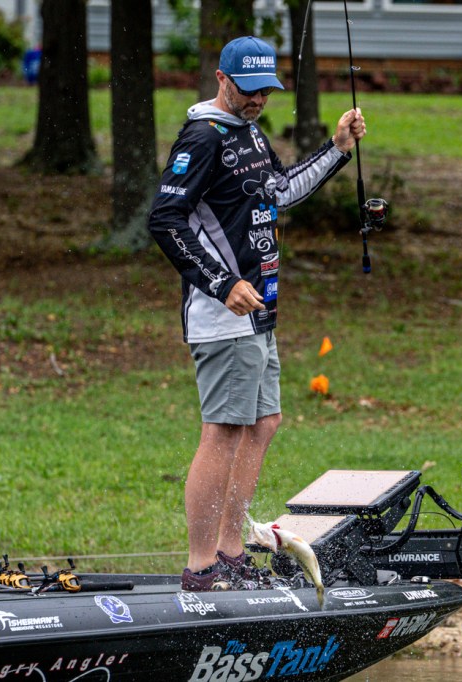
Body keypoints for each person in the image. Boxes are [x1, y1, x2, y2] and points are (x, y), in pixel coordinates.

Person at [148, 36, 366, 591]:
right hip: (223, 316)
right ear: (222, 79)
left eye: (266, 90)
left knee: (264, 423)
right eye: (248, 90)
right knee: (223, 430)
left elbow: (280, 192)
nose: (258, 100)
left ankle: (231, 552)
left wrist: (337, 148)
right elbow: (165, 219)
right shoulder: (202, 137)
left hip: (260, 313)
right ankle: (202, 569)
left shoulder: (249, 132)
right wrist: (222, 284)